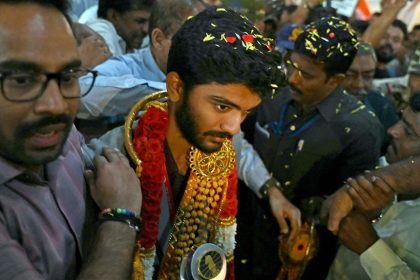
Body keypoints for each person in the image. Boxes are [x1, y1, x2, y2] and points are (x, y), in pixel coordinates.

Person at [85, 6, 288, 279]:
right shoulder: (105, 161)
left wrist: (272, 190)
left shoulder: (222, 150)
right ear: (176, 88)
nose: (234, 127)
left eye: (246, 113)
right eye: (221, 106)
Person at [0, 0, 142, 279]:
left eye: (67, 76)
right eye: (20, 80)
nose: (55, 105)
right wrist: (119, 218)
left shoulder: (57, 139)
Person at [249, 17, 383, 279]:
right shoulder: (271, 93)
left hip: (299, 257)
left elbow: (350, 208)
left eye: (306, 75)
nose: (292, 79)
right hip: (243, 234)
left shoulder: (361, 129)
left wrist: (313, 207)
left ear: (337, 80)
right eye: (291, 66)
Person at [76, 0, 206, 138]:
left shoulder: (203, 73)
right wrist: (167, 93)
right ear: (159, 39)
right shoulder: (126, 67)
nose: (201, 52)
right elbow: (84, 92)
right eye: (192, 42)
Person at [326, 92, 420, 279]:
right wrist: (369, 216)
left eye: (409, 132)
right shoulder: (381, 168)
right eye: (401, 120)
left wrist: (369, 246)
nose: (392, 130)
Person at [342, 41, 399, 152]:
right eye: (350, 75)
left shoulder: (382, 105)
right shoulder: (314, 103)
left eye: (367, 76)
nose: (359, 84)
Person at [85, 0, 154, 56]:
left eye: (149, 22)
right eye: (140, 21)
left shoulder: (127, 43)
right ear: (114, 16)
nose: (146, 30)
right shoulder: (101, 31)